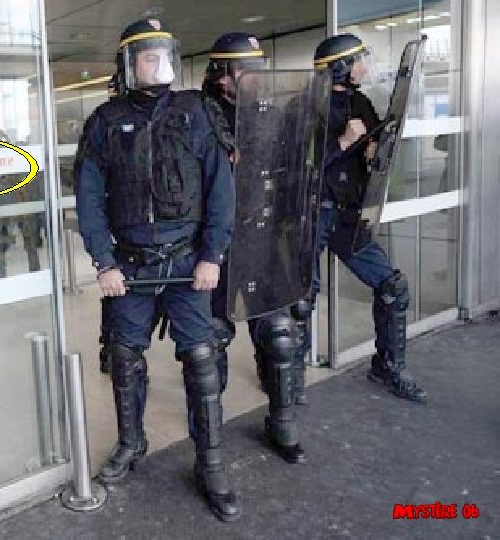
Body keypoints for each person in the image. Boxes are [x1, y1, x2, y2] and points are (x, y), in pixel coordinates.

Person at [74, 18, 240, 521]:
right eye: (148, 57)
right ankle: (132, 441)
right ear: (129, 64)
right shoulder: (105, 121)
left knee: (201, 358)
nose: (158, 64)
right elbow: (89, 198)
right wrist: (104, 261)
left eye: (163, 55)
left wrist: (212, 255)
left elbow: (221, 190)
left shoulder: (198, 112)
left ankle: (210, 462)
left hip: (189, 262)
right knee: (125, 356)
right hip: (130, 266)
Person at [200, 32, 313, 464]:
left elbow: (292, 169)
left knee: (280, 334)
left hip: (263, 237)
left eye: (257, 67)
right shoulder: (200, 118)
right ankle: (210, 434)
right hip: (217, 243)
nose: (255, 76)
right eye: (245, 69)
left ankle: (282, 422)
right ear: (222, 75)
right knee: (211, 342)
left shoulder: (271, 114)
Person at [310, 33, 427, 402]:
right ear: (341, 67)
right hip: (313, 216)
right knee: (298, 302)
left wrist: (374, 149)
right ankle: (285, 383)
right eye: (358, 60)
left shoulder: (359, 101)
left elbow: (374, 145)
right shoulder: (307, 106)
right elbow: (298, 169)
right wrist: (342, 143)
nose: (364, 67)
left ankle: (387, 367)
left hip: (349, 216)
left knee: (392, 286)